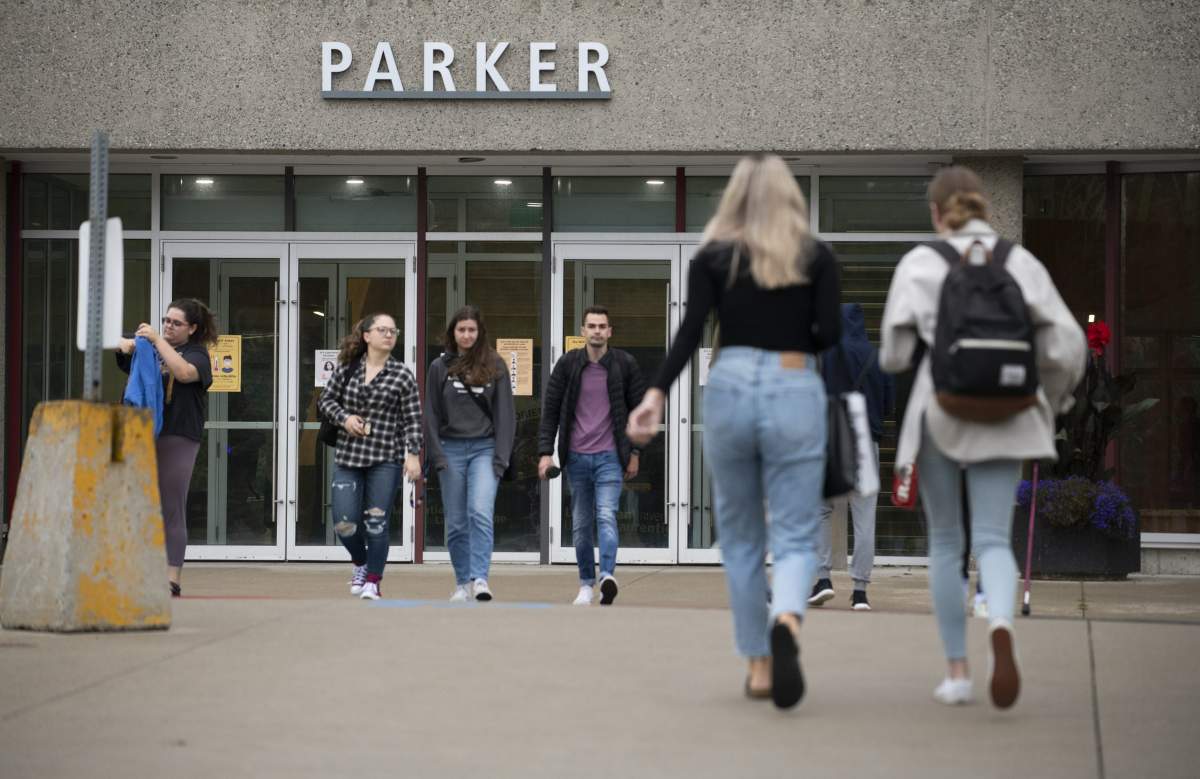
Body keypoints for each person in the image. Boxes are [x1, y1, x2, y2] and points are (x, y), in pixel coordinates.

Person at [627, 154, 841, 709]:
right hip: (795, 381)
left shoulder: (714, 257)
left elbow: (691, 330)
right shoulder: (816, 256)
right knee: (794, 532)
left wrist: (654, 394)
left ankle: (759, 667)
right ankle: (789, 621)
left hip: (729, 383)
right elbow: (829, 333)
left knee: (742, 540)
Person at [879, 166, 1086, 709]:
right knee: (995, 539)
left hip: (942, 411)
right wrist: (1050, 399)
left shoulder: (921, 263)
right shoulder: (1020, 262)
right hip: (1011, 409)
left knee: (947, 544)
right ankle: (1000, 625)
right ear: (984, 208)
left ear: (936, 212)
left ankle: (957, 673)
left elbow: (893, 356)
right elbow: (1068, 345)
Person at [538, 305, 648, 606]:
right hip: (576, 458)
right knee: (581, 524)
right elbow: (550, 411)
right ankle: (586, 583)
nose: (597, 330)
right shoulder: (567, 365)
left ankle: (607, 576)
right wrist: (545, 453)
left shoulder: (625, 364)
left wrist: (635, 452)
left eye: (602, 326)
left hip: (610, 457)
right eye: (591, 326)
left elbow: (640, 412)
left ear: (609, 331)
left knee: (606, 515)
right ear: (583, 331)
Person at [117, 298, 218, 598]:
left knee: (172, 505)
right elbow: (127, 358)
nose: (169, 326)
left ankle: (171, 577)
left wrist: (157, 340)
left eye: (176, 323)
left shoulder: (198, 355)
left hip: (179, 435)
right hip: (145, 433)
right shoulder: (152, 349)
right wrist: (129, 344)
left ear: (193, 328)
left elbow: (185, 373)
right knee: (140, 502)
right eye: (166, 321)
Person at [318, 313, 423, 600]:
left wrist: (412, 455)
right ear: (366, 336)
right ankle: (361, 563)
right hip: (349, 458)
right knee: (344, 523)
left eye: (393, 331)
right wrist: (344, 418)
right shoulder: (347, 368)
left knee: (376, 523)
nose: (389, 335)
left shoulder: (401, 374)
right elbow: (325, 401)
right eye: (382, 330)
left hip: (384, 459)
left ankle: (373, 582)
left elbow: (413, 418)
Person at [425, 306, 516, 603]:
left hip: (484, 450)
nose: (466, 335)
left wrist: (501, 457)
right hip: (450, 450)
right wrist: (436, 455)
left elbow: (506, 416)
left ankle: (480, 579)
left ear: (480, 333)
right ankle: (462, 582)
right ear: (453, 332)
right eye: (461, 329)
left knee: (480, 512)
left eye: (471, 330)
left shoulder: (495, 364)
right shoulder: (439, 367)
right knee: (456, 521)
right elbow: (431, 415)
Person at [809, 302, 894, 611]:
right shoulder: (877, 357)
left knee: (820, 510)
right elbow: (888, 406)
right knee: (864, 518)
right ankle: (860, 591)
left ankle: (823, 579)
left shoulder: (825, 354)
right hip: (866, 441)